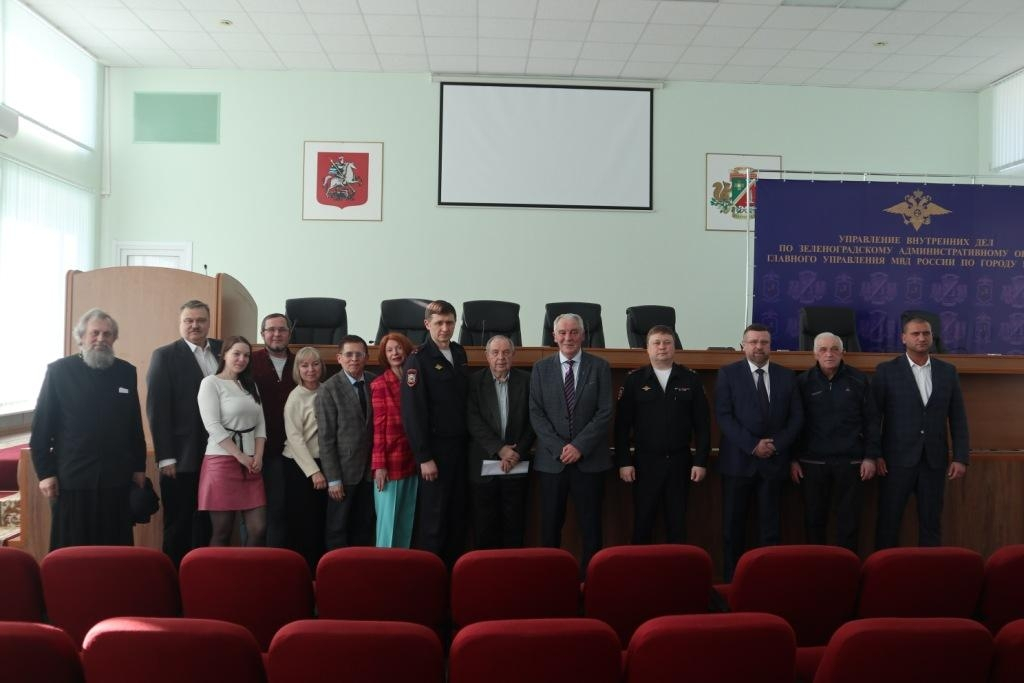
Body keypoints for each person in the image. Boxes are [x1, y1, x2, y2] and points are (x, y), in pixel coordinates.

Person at [30, 308, 147, 550]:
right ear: (81, 337)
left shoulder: (126, 372)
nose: (101, 339)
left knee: (115, 550)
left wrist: (139, 468)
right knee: (71, 550)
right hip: (72, 479)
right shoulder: (59, 371)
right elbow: (41, 428)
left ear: (114, 339)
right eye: (95, 333)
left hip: (116, 479)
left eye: (107, 334)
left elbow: (134, 426)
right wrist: (45, 473)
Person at [715, 323, 803, 581]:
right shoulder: (728, 374)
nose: (758, 347)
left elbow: (797, 418)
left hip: (774, 462)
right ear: (743, 346)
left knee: (770, 529)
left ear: (770, 345)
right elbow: (724, 416)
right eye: (753, 342)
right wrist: (753, 445)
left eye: (764, 342)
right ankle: (731, 583)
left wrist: (776, 444)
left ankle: (768, 582)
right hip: (737, 462)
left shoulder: (787, 376)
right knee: (733, 529)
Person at [873, 317, 969, 549]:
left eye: (926, 333)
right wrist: (875, 454)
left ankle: (930, 569)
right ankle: (883, 569)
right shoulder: (886, 371)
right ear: (903, 338)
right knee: (889, 521)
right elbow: (874, 417)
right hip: (895, 461)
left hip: (933, 461)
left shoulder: (947, 372)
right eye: (915, 334)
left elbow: (958, 418)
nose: (922, 338)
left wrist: (960, 457)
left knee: (931, 522)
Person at [529, 312, 613, 576]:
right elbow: (536, 413)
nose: (568, 337)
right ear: (554, 336)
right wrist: (559, 448)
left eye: (574, 332)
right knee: (550, 526)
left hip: (589, 460)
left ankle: (592, 580)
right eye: (563, 333)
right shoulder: (540, 368)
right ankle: (550, 579)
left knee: (591, 526)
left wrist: (579, 446)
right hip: (552, 462)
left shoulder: (600, 367)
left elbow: (605, 412)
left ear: (583, 335)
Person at [615, 325, 710, 544]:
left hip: (680, 462)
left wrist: (700, 461)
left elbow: (703, 425)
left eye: (667, 342)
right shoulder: (634, 380)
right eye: (656, 343)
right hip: (644, 463)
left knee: (677, 524)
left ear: (675, 347)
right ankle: (640, 565)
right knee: (643, 523)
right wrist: (624, 462)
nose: (662, 347)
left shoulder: (690, 379)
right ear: (647, 348)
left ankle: (676, 567)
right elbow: (621, 426)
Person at [147, 300, 221, 565]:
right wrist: (165, 456)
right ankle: (174, 578)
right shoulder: (164, 356)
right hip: (181, 457)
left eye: (200, 320)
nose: (195, 325)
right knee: (179, 524)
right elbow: (157, 410)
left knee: (208, 521)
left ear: (209, 322)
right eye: (188, 320)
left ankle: (201, 575)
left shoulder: (223, 351)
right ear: (180, 323)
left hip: (219, 454)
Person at [791, 332, 880, 552]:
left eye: (834, 349)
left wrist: (870, 457)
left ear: (843, 353)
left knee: (849, 522)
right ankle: (815, 567)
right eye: (822, 349)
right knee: (814, 520)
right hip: (811, 464)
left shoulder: (859, 380)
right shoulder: (802, 382)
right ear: (814, 353)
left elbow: (872, 421)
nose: (829, 354)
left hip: (851, 463)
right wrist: (792, 459)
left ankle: (847, 567)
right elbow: (793, 423)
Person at [401, 300, 470, 566]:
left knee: (457, 515)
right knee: (434, 519)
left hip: (460, 448)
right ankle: (430, 575)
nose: (445, 328)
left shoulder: (459, 352)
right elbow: (412, 413)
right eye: (439, 323)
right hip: (435, 452)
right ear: (427, 324)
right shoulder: (417, 359)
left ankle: (455, 575)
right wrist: (424, 457)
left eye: (450, 322)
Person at [466, 334, 535, 549]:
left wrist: (516, 452)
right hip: (484, 463)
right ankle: (485, 568)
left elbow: (534, 421)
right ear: (487, 356)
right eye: (495, 353)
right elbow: (472, 420)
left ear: (513, 355)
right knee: (484, 525)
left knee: (515, 523)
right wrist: (500, 449)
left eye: (506, 352)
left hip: (517, 463)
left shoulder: (527, 380)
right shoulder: (474, 381)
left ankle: (512, 568)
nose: (500, 358)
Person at [196, 336, 267, 546]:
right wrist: (240, 456)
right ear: (224, 354)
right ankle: (216, 569)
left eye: (246, 355)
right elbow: (213, 426)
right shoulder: (211, 383)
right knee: (222, 531)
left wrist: (258, 455)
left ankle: (248, 568)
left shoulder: (250, 385)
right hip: (221, 461)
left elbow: (261, 425)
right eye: (236, 353)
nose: (242, 359)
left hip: (251, 463)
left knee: (258, 528)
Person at [317, 334, 376, 549]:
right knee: (338, 527)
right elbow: (326, 438)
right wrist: (333, 479)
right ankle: (335, 568)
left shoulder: (374, 381)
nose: (354, 359)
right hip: (343, 472)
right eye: (349, 354)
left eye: (359, 354)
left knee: (364, 525)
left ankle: (360, 566)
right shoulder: (328, 389)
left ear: (366, 357)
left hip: (371, 471)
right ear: (339, 358)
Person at [250, 312, 295, 547]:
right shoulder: (250, 361)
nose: (276, 334)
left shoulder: (301, 363)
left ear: (289, 333)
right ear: (262, 334)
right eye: (271, 329)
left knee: (281, 512)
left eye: (282, 329)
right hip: (255, 451)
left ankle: (276, 562)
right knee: (253, 516)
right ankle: (252, 564)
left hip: (291, 452)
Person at [371, 333, 419, 548]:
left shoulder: (414, 381)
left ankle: (401, 565)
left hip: (412, 461)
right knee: (388, 527)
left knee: (406, 524)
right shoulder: (380, 384)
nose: (395, 353)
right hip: (390, 464)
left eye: (398, 348)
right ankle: (384, 566)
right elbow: (378, 428)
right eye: (389, 350)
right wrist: (379, 465)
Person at [282, 346, 327, 572]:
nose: (311, 369)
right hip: (301, 467)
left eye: (315, 364)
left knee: (321, 522)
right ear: (297, 369)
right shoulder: (295, 397)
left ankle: (321, 573)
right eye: (304, 365)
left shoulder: (327, 390)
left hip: (325, 464)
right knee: (304, 523)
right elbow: (294, 438)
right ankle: (302, 574)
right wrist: (314, 472)